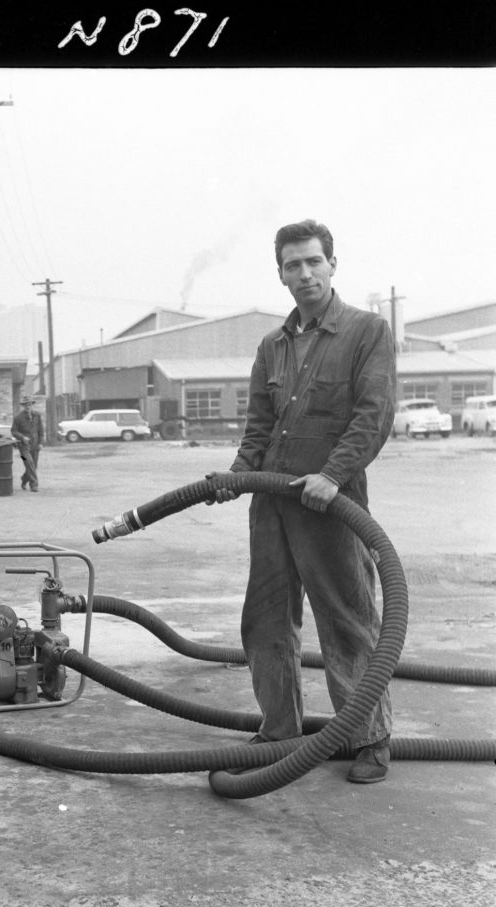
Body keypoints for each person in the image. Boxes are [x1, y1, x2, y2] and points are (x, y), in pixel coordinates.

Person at [208, 219, 397, 784]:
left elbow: (373, 416)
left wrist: (333, 475)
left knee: (347, 622)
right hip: (270, 505)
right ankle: (281, 728)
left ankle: (368, 740)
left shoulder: (367, 332)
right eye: (294, 265)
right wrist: (239, 474)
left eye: (314, 261)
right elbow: (258, 427)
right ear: (281, 275)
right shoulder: (273, 346)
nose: (305, 272)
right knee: (265, 620)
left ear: (332, 265)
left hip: (330, 506)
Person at [11, 394, 44, 492]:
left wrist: (41, 443)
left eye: (29, 404)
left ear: (32, 405)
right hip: (23, 447)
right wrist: (22, 437)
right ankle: (34, 485)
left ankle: (24, 479)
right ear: (23, 406)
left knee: (34, 465)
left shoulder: (37, 415)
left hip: (35, 445)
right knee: (29, 463)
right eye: (26, 405)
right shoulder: (18, 418)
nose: (28, 407)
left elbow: (41, 430)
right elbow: (13, 431)